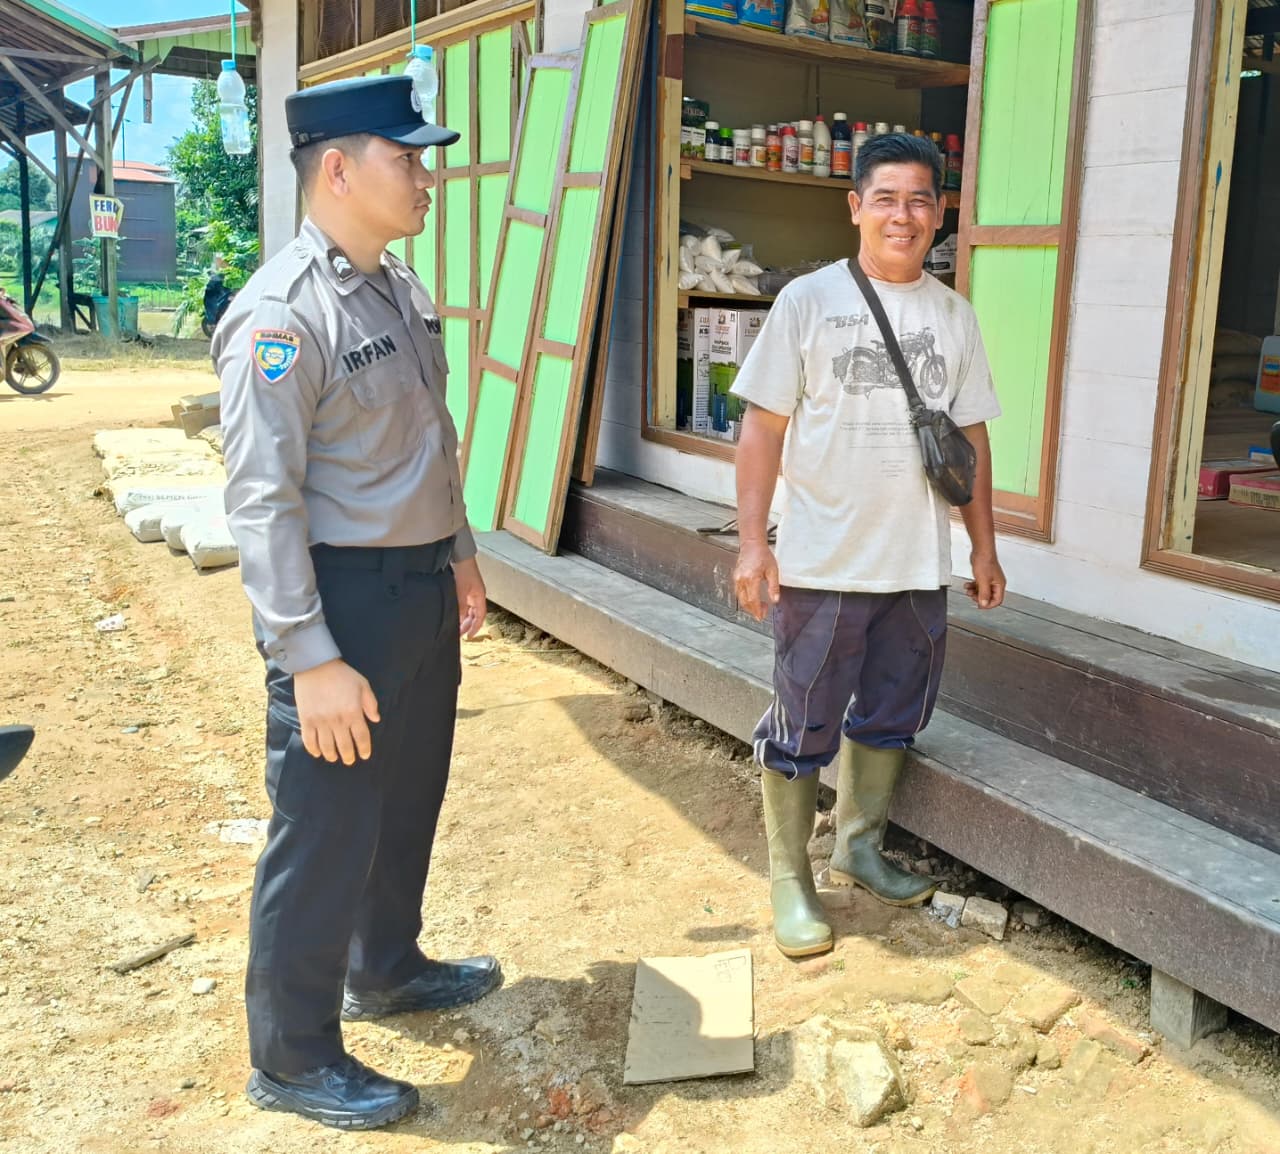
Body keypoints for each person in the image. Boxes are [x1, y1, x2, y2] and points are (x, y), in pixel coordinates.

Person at [212, 75, 501, 1130]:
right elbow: (261, 497)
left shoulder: (391, 287)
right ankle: (289, 1054)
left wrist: (459, 553)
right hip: (340, 607)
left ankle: (384, 964)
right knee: (324, 824)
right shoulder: (283, 314)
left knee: (405, 796)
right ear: (336, 169)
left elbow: (426, 438)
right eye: (407, 158)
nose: (425, 176)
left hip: (418, 587)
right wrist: (308, 655)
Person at [729, 133, 1005, 959]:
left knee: (892, 714)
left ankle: (858, 846)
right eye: (886, 198)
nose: (904, 215)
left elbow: (973, 442)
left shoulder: (954, 315)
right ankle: (790, 877)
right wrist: (752, 544)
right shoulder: (808, 303)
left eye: (920, 200)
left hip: (917, 564)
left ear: (940, 213)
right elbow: (761, 429)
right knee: (804, 719)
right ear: (855, 207)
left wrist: (981, 549)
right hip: (821, 561)